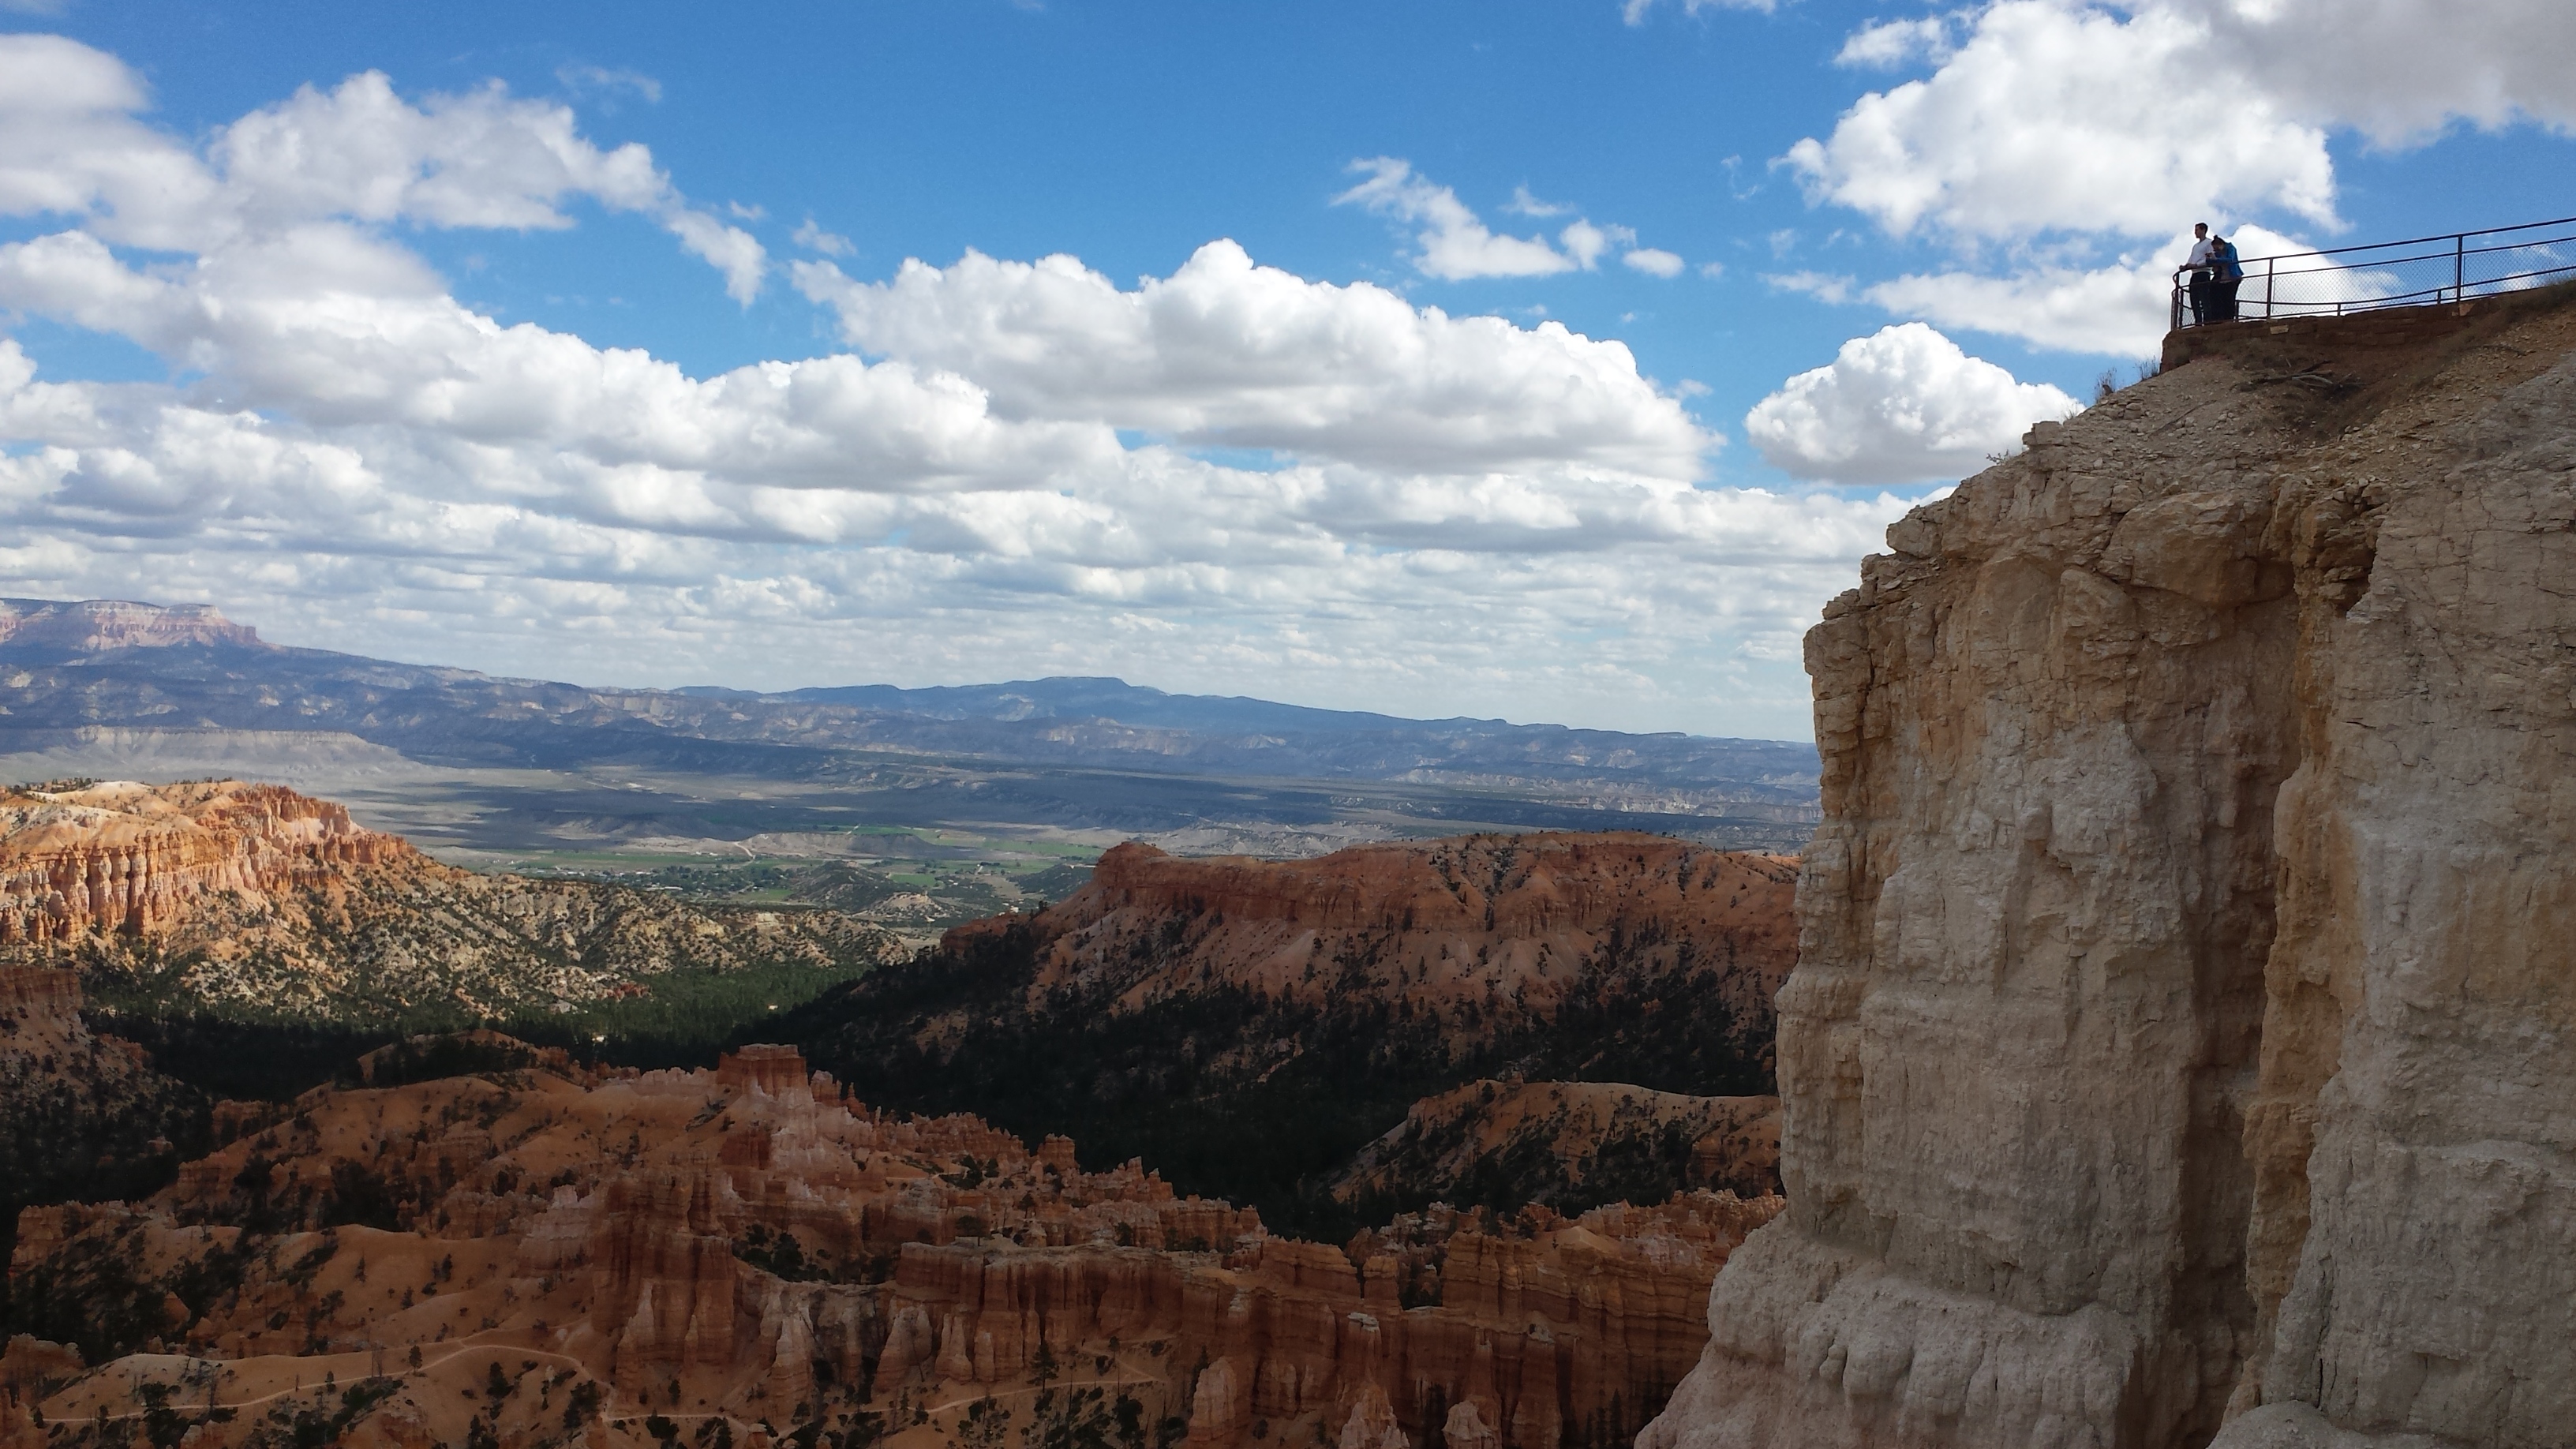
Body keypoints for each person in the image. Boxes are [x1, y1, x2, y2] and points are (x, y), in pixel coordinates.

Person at [2177, 223, 2217, 325]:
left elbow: (2209, 259)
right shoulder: (2195, 246)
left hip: (2204, 273)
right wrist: (2186, 266)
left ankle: (2207, 321)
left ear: (2203, 230)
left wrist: (2196, 265)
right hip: (2195, 274)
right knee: (2194, 299)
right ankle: (2198, 322)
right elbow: (2191, 258)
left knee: (2204, 299)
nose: (2195, 232)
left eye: (2197, 230)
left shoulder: (2209, 243)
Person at [2210, 234, 2245, 321]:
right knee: (2222, 298)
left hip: (2233, 277)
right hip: (2223, 278)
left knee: (2230, 299)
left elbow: (2230, 259)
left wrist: (2216, 260)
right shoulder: (2218, 253)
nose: (2216, 251)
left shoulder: (2231, 248)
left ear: (2221, 245)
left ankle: (2229, 319)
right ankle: (2221, 318)